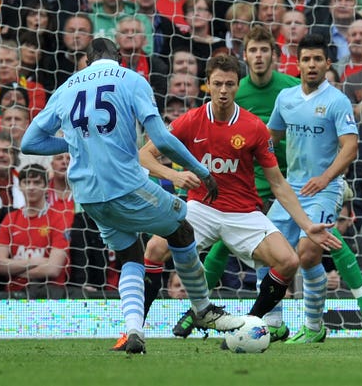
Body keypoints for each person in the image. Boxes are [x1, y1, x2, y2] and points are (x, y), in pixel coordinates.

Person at [20, 38, 243, 354]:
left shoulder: (66, 88)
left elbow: (29, 143)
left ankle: (133, 331)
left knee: (130, 254)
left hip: (89, 197)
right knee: (181, 227)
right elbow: (162, 140)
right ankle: (203, 308)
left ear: (86, 60)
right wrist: (202, 171)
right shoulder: (131, 80)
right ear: (119, 57)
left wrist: (75, 143)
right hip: (127, 186)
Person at [138, 54, 342, 346]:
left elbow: (278, 183)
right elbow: (144, 156)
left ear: (237, 86)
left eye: (230, 84)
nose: (224, 90)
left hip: (244, 213)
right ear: (207, 85)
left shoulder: (254, 127)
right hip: (201, 208)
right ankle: (135, 330)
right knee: (155, 248)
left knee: (288, 261)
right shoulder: (190, 121)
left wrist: (308, 225)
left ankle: (249, 324)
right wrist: (175, 177)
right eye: (218, 83)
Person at [266, 33, 362, 343]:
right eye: (306, 59)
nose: (311, 64)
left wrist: (325, 177)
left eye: (317, 59)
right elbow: (271, 139)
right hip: (290, 189)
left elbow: (350, 147)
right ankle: (273, 323)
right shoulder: (286, 98)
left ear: (327, 63)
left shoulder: (337, 100)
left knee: (308, 252)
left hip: (325, 189)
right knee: (266, 249)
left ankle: (314, 326)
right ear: (298, 63)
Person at [0, 164, 69, 299]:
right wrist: (35, 261)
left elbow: (53, 269)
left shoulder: (58, 218)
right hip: (14, 295)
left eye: (37, 182)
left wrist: (12, 270)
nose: (31, 187)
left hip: (50, 295)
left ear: (46, 187)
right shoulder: (10, 219)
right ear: (20, 186)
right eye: (27, 182)